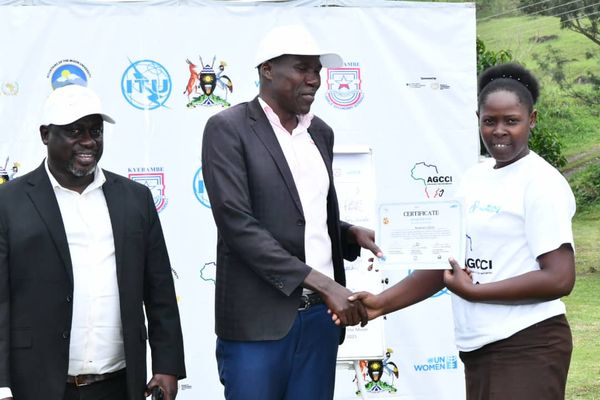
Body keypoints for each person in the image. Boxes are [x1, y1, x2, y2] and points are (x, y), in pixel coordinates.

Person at [338, 63, 576, 400]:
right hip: (480, 348)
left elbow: (560, 278)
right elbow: (445, 263)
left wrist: (476, 292)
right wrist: (380, 304)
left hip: (527, 344)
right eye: (490, 121)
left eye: (511, 121)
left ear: (532, 120)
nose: (499, 131)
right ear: (478, 119)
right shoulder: (474, 178)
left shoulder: (541, 183)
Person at [201, 24, 382, 400]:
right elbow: (238, 225)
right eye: (302, 68)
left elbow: (302, 214)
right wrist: (325, 284)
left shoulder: (321, 133)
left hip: (320, 321)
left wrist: (348, 233)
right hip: (258, 324)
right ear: (267, 70)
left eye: (317, 70)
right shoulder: (228, 129)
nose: (314, 79)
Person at [0, 84, 186, 400]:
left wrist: (167, 365)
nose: (88, 141)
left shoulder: (136, 199)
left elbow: (160, 291)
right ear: (45, 134)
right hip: (36, 385)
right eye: (75, 131)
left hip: (118, 385)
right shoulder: (8, 203)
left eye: (95, 131)